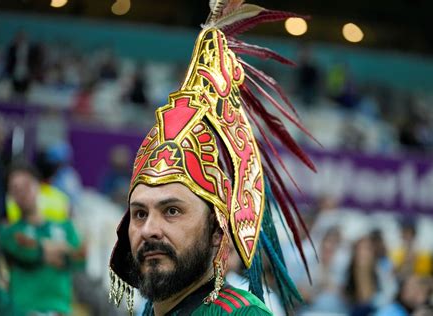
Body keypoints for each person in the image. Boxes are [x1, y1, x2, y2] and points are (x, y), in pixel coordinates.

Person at [108, 2, 317, 315]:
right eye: (139, 214)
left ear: (217, 234)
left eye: (172, 210)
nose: (149, 229)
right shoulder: (152, 309)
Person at [0, 162, 85, 315]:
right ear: (10, 196)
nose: (22, 192)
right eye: (15, 189)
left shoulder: (65, 226)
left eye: (26, 185)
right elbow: (30, 253)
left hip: (60, 310)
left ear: (38, 185)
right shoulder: (9, 233)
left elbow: (78, 259)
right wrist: (59, 248)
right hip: (24, 310)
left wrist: (39, 247)